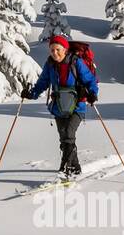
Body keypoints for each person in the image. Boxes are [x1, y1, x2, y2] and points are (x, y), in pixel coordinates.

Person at [24, 34, 99, 179]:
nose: (55, 53)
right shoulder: (50, 64)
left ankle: (65, 169)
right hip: (58, 106)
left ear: (65, 49)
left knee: (69, 134)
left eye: (58, 49)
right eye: (52, 50)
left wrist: (92, 94)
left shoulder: (75, 62)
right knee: (64, 137)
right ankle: (75, 167)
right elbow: (42, 83)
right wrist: (31, 93)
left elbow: (90, 80)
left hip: (77, 106)